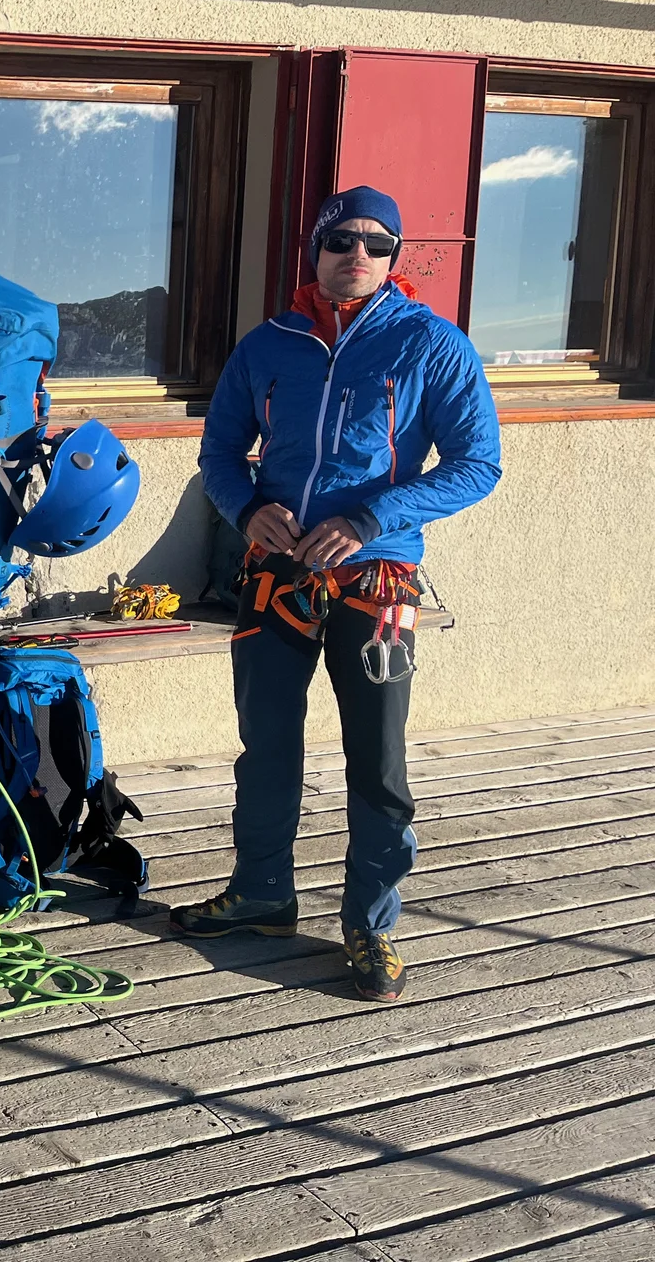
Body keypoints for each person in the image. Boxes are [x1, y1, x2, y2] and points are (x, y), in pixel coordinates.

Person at [176, 185, 501, 1003]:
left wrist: (371, 517)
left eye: (378, 243)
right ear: (315, 249)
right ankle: (262, 894)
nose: (359, 253)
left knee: (378, 758)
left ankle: (372, 923)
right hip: (276, 577)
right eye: (342, 239)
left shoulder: (433, 344)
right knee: (266, 744)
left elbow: (477, 464)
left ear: (395, 257)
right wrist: (247, 510)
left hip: (377, 579)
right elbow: (219, 454)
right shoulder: (267, 345)